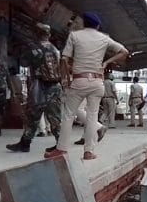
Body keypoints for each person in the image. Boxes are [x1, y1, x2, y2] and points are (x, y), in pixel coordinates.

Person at [45, 12, 129, 160]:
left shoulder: (75, 36)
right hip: (97, 82)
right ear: (97, 25)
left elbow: (64, 59)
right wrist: (106, 62)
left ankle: (61, 149)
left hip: (79, 81)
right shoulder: (104, 38)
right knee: (92, 116)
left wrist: (65, 79)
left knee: (68, 115)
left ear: (84, 23)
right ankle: (89, 151)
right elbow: (124, 52)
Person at [7, 23, 63, 153]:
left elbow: (24, 63)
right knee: (54, 116)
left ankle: (25, 143)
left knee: (32, 115)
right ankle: (60, 143)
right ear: (48, 34)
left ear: (36, 34)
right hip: (55, 85)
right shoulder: (55, 49)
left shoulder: (34, 47)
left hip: (40, 85)